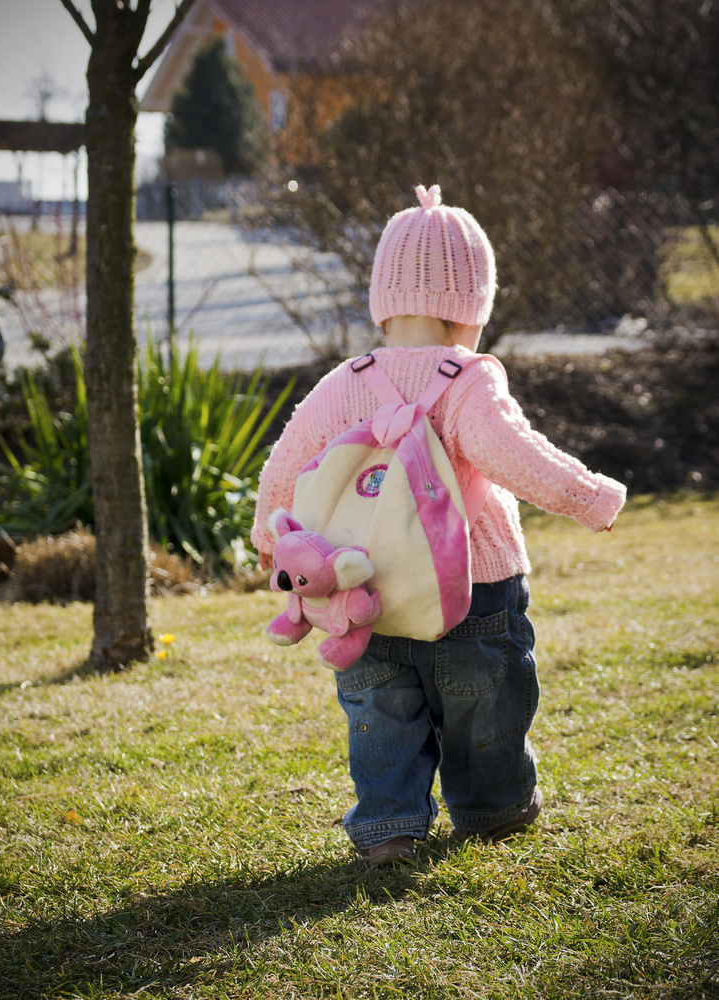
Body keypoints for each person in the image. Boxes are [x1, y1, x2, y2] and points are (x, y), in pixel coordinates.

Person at [251, 184, 626, 867]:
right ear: (470, 306)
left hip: (360, 588)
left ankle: (389, 827)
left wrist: (273, 543)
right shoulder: (467, 379)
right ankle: (492, 809)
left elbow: (285, 471)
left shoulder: (344, 382)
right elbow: (513, 455)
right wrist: (589, 498)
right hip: (471, 587)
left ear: (383, 298)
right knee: (484, 700)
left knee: (379, 713)